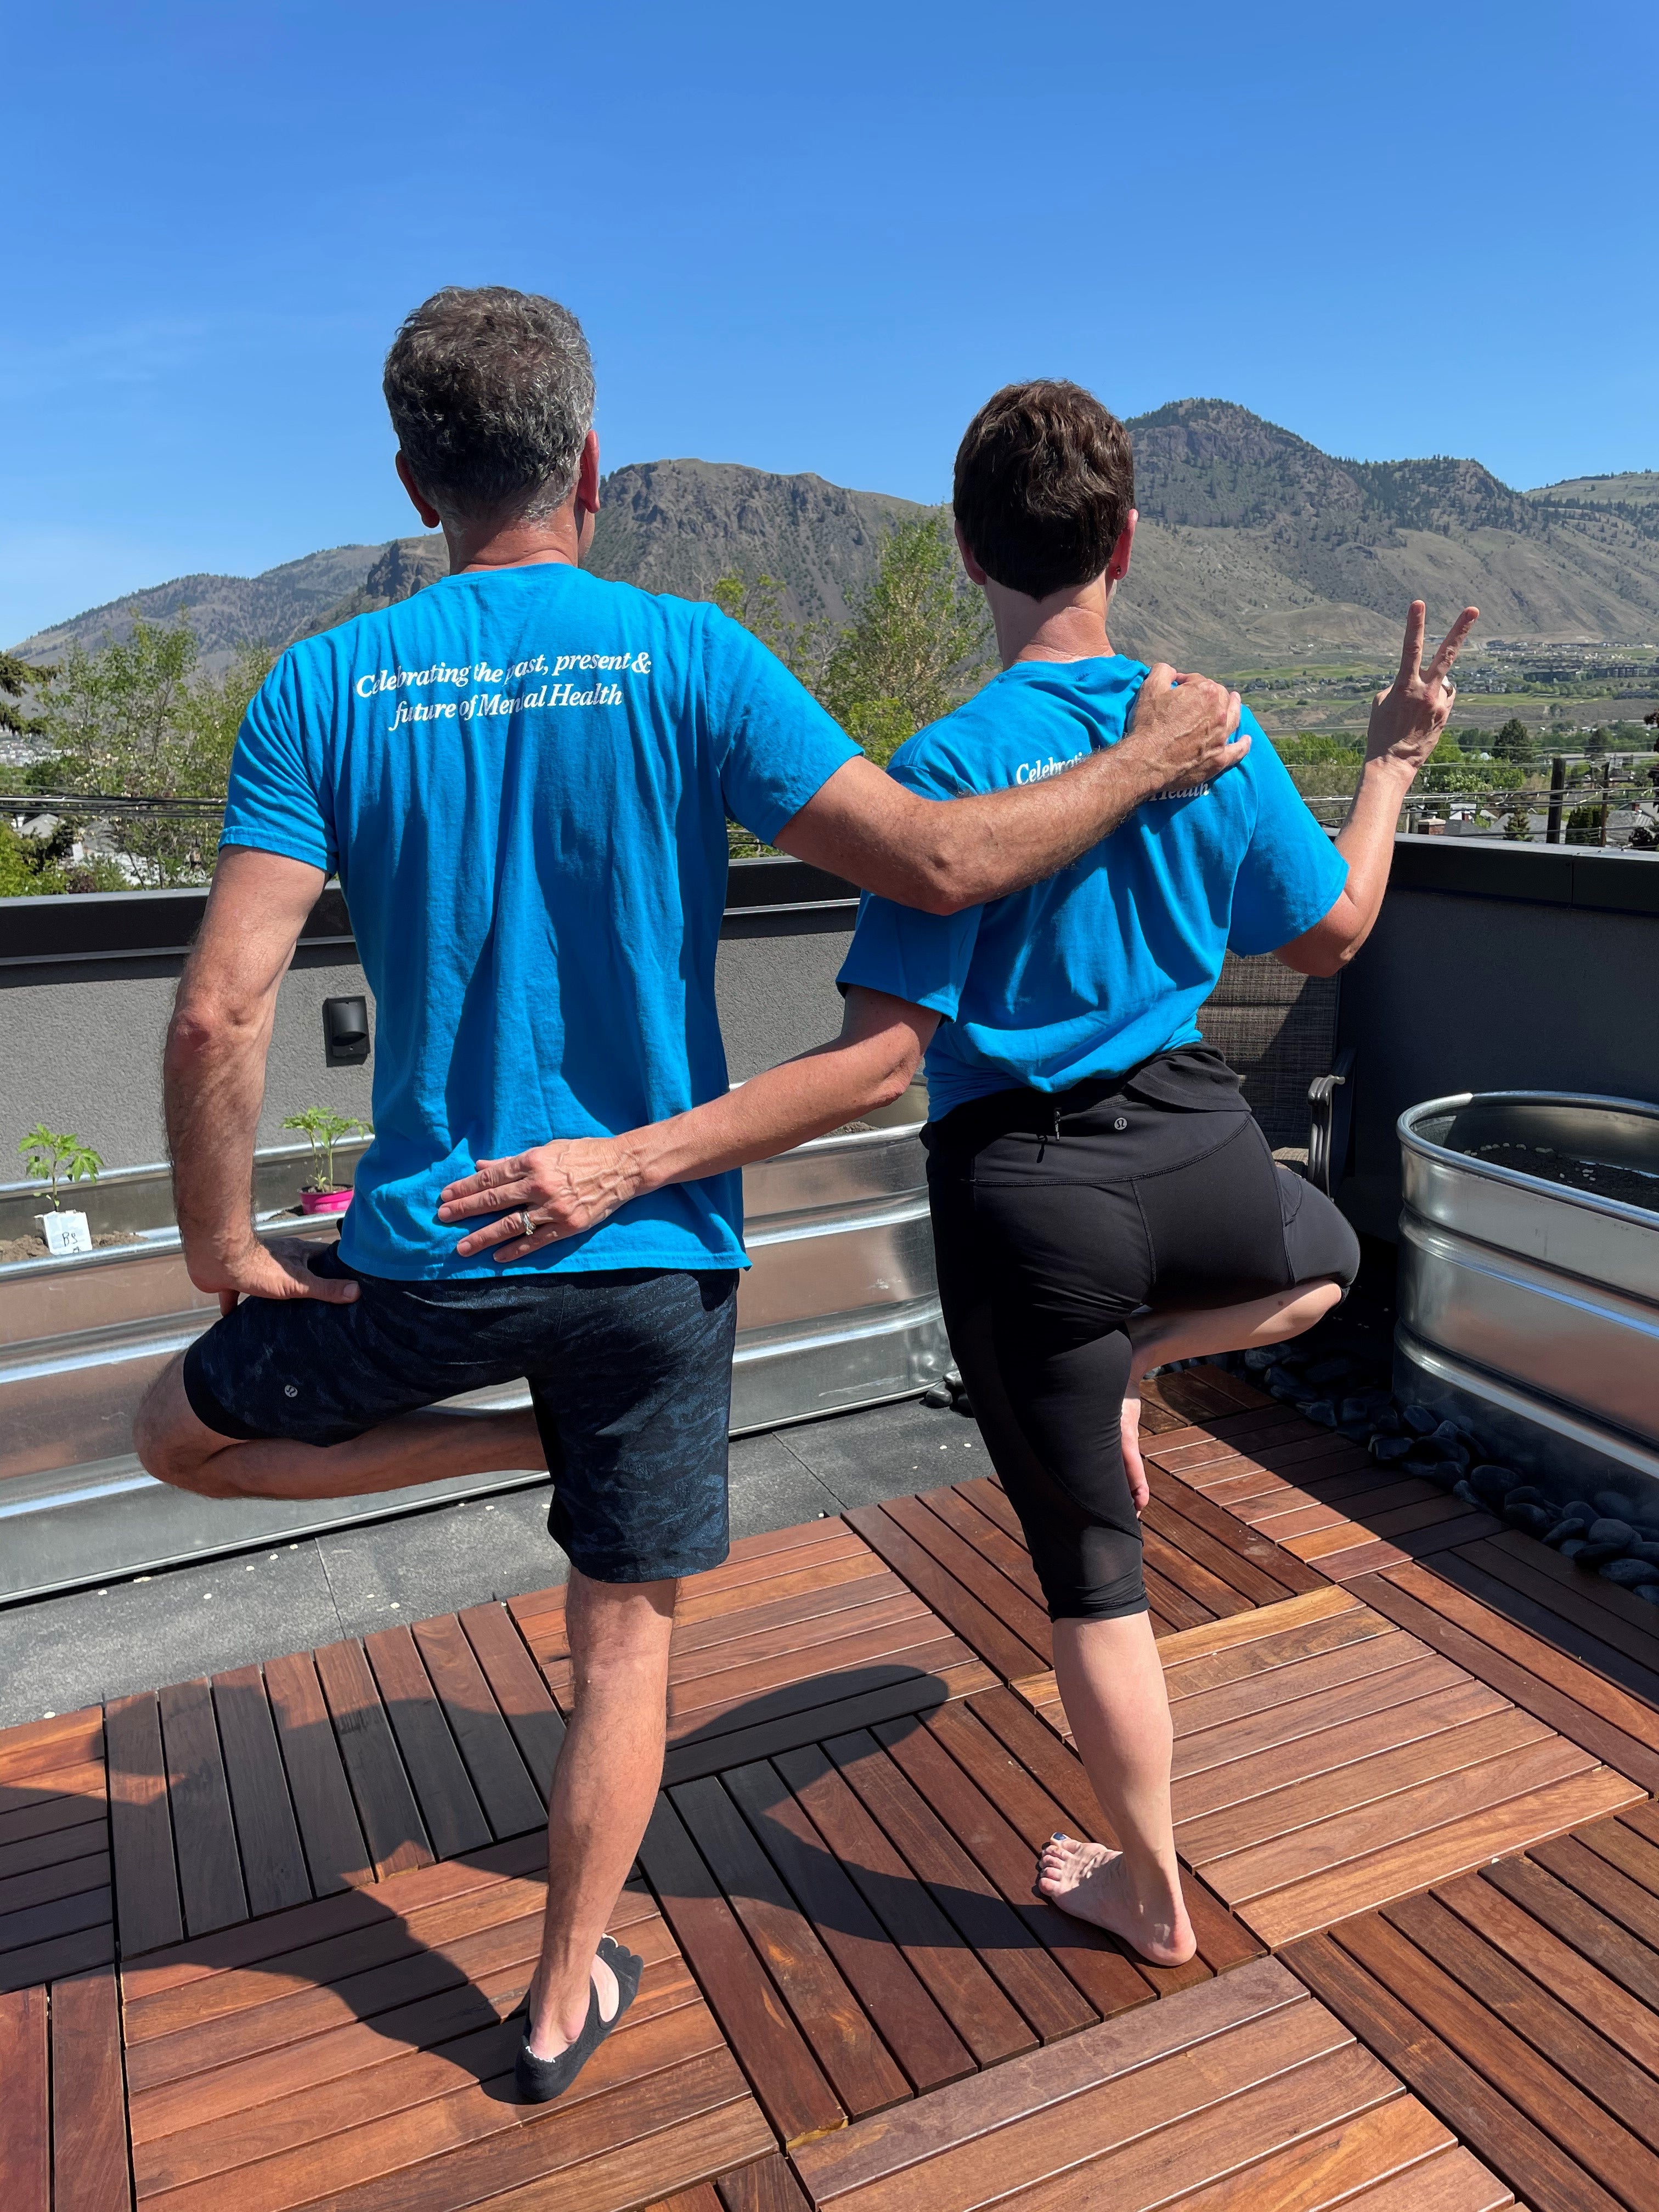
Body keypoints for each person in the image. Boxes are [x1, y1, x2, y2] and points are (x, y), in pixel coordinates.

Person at [133, 302, 1248, 2099]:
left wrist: (220, 1246)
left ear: (416, 478)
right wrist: (1149, 759)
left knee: (171, 1435)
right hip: (653, 1259)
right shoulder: (693, 659)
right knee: (624, 1638)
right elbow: (947, 860)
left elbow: (217, 1005)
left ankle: (510, 1466)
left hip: (431, 1257)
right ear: (587, 467)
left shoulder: (323, 688)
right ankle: (565, 1991)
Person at [451, 378, 1476, 1972]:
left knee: (1093, 1577)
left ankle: (1154, 1894)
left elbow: (883, 1048)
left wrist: (635, 1161)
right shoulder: (1209, 724)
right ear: (1124, 540)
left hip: (1026, 1202)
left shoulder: (939, 770)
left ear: (964, 555)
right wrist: (1394, 763)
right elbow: (1334, 930)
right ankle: (1140, 1366)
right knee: (1328, 1259)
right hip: (1202, 1142)